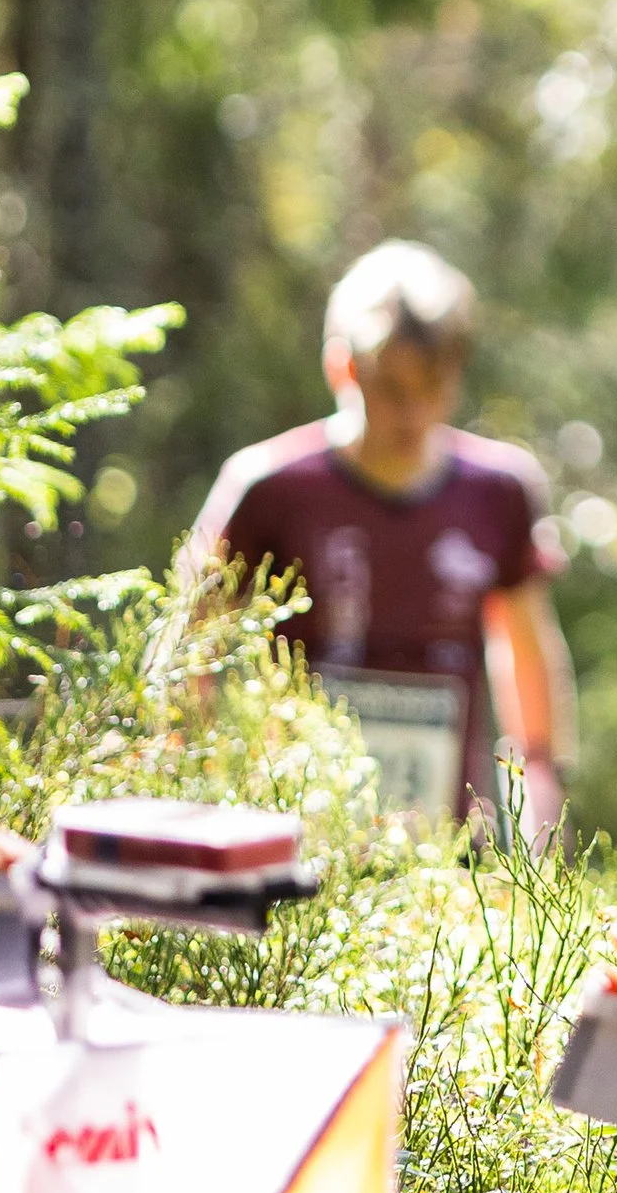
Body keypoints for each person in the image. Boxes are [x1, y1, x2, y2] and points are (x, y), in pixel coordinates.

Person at [192, 239, 576, 845]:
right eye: (391, 387)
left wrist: (541, 783)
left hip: (446, 850)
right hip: (296, 838)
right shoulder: (269, 486)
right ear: (343, 369)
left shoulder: (499, 491)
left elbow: (525, 647)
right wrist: (197, 778)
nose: (412, 410)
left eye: (433, 386)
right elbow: (192, 642)